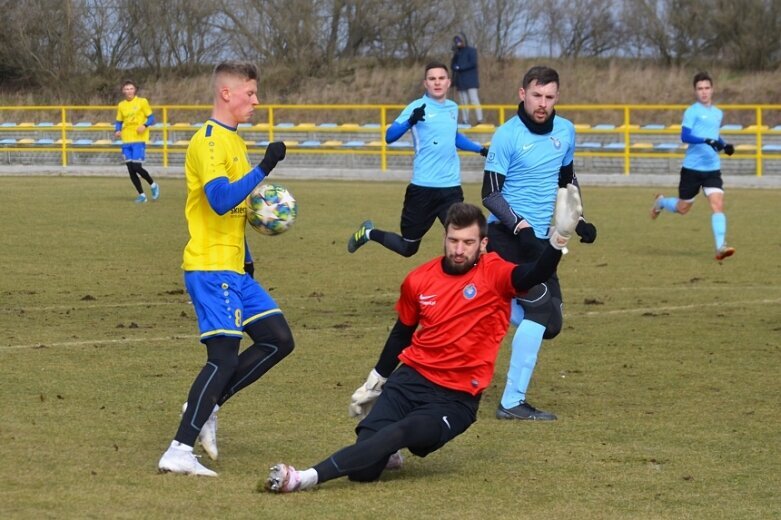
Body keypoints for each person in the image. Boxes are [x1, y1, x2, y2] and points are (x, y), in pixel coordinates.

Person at [265, 196, 582, 493]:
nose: (459, 250)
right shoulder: (418, 279)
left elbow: (534, 273)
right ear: (444, 237)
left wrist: (559, 240)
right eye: (453, 240)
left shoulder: (495, 272)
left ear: (483, 244)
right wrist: (376, 379)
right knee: (364, 472)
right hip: (410, 380)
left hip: (455, 399)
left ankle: (303, 478)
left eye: (468, 243)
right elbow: (402, 332)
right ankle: (385, 453)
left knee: (399, 433)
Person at [158, 61, 293, 477]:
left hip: (234, 266)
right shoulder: (210, 141)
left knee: (277, 339)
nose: (256, 100)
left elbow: (237, 207)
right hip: (210, 266)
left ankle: (209, 404)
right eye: (250, 93)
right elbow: (219, 199)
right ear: (226, 94)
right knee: (222, 357)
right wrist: (265, 167)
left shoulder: (235, 142)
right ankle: (179, 448)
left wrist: (249, 253)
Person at [481, 66, 597, 421]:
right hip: (507, 236)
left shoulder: (566, 131)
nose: (542, 103)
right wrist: (520, 225)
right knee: (540, 309)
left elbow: (567, 179)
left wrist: (580, 219)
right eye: (536, 95)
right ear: (522, 94)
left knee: (552, 324)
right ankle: (512, 403)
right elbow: (490, 194)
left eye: (549, 97)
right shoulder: (507, 135)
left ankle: (491, 303)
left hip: (544, 241)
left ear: (556, 98)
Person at [346, 62, 487, 258]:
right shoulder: (416, 107)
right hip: (423, 190)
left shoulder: (453, 108)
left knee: (461, 238)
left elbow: (454, 137)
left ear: (448, 82)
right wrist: (411, 121)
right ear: (425, 83)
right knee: (408, 248)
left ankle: (455, 284)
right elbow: (389, 136)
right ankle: (368, 233)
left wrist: (479, 149)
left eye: (441, 78)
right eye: (432, 79)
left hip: (451, 189)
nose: (437, 82)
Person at [650, 71, 736, 261]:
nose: (704, 92)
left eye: (707, 88)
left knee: (718, 205)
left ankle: (720, 247)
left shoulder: (717, 113)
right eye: (700, 89)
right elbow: (685, 136)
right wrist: (706, 140)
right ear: (695, 91)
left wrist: (724, 146)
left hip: (712, 168)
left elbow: (714, 135)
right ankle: (661, 202)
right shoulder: (692, 112)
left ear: (712, 90)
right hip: (692, 169)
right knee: (683, 208)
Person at [114, 80, 160, 203]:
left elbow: (151, 118)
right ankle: (142, 195)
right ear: (123, 91)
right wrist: (117, 130)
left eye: (131, 88)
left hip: (139, 139)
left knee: (136, 166)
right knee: (130, 169)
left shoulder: (142, 102)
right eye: (126, 89)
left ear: (135, 90)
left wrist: (144, 125)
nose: (129, 91)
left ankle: (153, 185)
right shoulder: (121, 105)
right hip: (126, 139)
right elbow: (119, 121)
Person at [450, 33, 483, 125]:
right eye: (456, 41)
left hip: (471, 81)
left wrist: (460, 67)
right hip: (460, 81)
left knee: (474, 100)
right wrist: (454, 60)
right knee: (463, 102)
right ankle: (465, 120)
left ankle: (479, 119)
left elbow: (473, 63)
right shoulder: (457, 53)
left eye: (459, 41)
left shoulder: (471, 51)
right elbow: (453, 65)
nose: (458, 43)